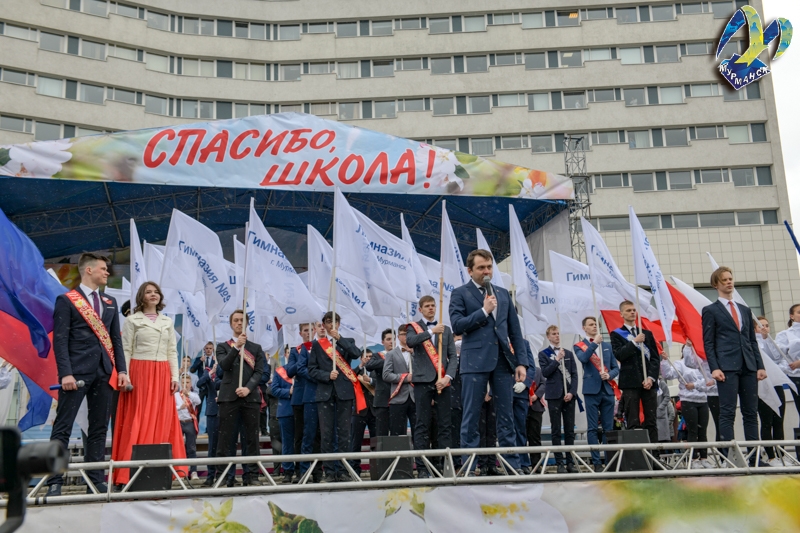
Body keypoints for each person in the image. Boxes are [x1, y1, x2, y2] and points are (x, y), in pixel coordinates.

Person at [47, 253, 130, 496]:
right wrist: (65, 374)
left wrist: (122, 370)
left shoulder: (110, 301)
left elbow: (115, 340)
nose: (107, 273)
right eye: (103, 269)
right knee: (63, 426)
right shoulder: (67, 300)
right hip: (75, 373)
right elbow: (60, 340)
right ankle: (54, 481)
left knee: (99, 428)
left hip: (104, 372)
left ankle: (95, 480)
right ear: (89, 270)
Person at [449, 249, 527, 474]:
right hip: (474, 361)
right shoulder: (460, 293)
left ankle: (512, 466)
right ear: (470, 270)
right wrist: (484, 311)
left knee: (506, 416)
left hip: (502, 361)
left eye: (489, 267)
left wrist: (521, 362)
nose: (486, 271)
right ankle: (469, 467)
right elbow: (457, 325)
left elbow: (515, 330)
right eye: (481, 267)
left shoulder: (502, 294)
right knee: (471, 417)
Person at [112, 281, 186, 485]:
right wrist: (125, 375)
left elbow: (172, 351)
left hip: (162, 372)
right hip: (140, 371)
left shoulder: (167, 321)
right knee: (138, 416)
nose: (153, 294)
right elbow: (126, 349)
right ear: (141, 297)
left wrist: (174, 377)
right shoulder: (132, 320)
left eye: (156, 292)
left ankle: (161, 471)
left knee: (163, 417)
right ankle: (129, 473)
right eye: (148, 292)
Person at [702, 266, 766, 465]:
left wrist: (760, 365)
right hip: (726, 367)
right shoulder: (710, 310)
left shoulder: (745, 310)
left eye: (730, 278)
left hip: (749, 366)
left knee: (751, 412)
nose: (729, 282)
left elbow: (752, 341)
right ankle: (729, 458)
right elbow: (708, 342)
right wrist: (714, 367)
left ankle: (755, 458)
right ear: (716, 284)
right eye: (724, 280)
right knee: (727, 412)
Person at [405, 295, 458, 478]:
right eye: (427, 306)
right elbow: (410, 342)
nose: (431, 308)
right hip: (422, 382)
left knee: (445, 425)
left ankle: (443, 465)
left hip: (442, 381)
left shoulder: (446, 330)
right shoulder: (413, 327)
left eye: (433, 305)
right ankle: (422, 467)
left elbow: (453, 356)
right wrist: (431, 331)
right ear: (420, 309)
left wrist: (448, 377)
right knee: (422, 424)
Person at [308, 311, 364, 483]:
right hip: (325, 394)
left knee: (344, 433)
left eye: (335, 322)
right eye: (328, 322)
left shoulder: (347, 341)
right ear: (324, 325)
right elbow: (311, 370)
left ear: (339, 324)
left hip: (344, 392)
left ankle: (343, 469)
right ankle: (330, 471)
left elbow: (355, 353)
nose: (331, 324)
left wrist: (339, 338)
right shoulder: (317, 345)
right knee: (327, 434)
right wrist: (326, 375)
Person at [216, 309, 267, 486]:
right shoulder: (223, 346)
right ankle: (225, 476)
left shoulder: (256, 348)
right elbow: (224, 366)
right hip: (228, 398)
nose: (239, 323)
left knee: (251, 439)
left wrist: (248, 388)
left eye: (242, 320)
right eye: (236, 320)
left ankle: (251, 475)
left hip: (250, 398)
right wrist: (236, 347)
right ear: (231, 324)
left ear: (246, 323)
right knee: (226, 439)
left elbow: (260, 372)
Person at [610, 300, 661, 445]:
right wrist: (634, 342)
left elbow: (655, 358)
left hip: (648, 382)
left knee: (651, 419)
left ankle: (654, 453)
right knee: (632, 419)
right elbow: (619, 354)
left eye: (633, 310)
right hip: (630, 382)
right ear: (621, 314)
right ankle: (637, 453)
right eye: (628, 310)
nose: (632, 312)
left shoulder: (646, 334)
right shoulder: (616, 334)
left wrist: (651, 377)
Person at [574, 317, 620, 471]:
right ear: (584, 328)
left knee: (609, 428)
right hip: (591, 390)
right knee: (593, 428)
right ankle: (597, 463)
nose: (594, 327)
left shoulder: (607, 346)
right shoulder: (580, 346)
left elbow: (615, 368)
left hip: (607, 389)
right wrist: (594, 344)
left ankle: (609, 461)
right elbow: (583, 359)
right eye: (591, 325)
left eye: (596, 324)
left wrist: (610, 375)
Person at [660, 350, 714, 468]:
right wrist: (664, 361)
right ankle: (694, 459)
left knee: (702, 431)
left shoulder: (703, 363)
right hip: (688, 400)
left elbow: (709, 380)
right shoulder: (680, 364)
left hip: (703, 400)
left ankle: (704, 458)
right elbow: (668, 375)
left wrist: (695, 385)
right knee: (692, 431)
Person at [538, 325, 579, 473]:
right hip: (554, 395)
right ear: (548, 337)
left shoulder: (569, 353)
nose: (557, 336)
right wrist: (556, 359)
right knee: (556, 430)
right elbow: (546, 373)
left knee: (569, 430)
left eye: (558, 333)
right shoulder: (543, 354)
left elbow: (574, 374)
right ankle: (559, 462)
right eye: (554, 334)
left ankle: (570, 462)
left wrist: (572, 392)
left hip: (569, 396)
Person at [755, 317, 787, 465]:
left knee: (779, 420)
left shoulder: (770, 341)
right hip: (763, 386)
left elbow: (777, 357)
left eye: (767, 325)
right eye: (761, 326)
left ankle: (781, 454)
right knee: (766, 421)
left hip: (776, 383)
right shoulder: (753, 343)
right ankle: (771, 456)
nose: (765, 328)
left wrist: (767, 339)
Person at [297, 321, 325, 483]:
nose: (322, 329)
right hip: (311, 396)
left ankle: (319, 472)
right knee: (309, 434)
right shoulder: (307, 347)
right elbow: (301, 368)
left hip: (327, 396)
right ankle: (305, 471)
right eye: (319, 326)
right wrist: (318, 377)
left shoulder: (331, 346)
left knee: (323, 436)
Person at [285, 324, 312, 481]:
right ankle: (299, 470)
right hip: (300, 397)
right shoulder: (296, 351)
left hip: (316, 396)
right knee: (300, 435)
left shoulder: (320, 348)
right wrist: (303, 357)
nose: (309, 333)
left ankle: (316, 470)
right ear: (301, 333)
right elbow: (289, 371)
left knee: (316, 435)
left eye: (311, 330)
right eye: (306, 330)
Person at [682, 339, 720, 442]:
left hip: (726, 391)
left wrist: (714, 382)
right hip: (712, 394)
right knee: (719, 424)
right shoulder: (702, 354)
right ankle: (722, 450)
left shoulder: (722, 350)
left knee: (725, 423)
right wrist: (688, 347)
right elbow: (690, 363)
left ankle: (726, 449)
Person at [383, 326, 416, 440]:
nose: (406, 336)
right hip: (398, 397)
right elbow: (386, 375)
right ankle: (399, 452)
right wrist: (404, 377)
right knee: (397, 433)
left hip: (416, 397)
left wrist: (414, 353)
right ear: (398, 337)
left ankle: (419, 452)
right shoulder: (391, 354)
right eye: (403, 334)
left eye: (408, 334)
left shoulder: (418, 352)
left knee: (419, 432)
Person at [512, 341, 537, 475]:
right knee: (505, 429)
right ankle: (509, 462)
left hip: (520, 393)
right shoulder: (498, 340)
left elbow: (531, 367)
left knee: (520, 429)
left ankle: (523, 463)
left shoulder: (524, 344)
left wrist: (526, 384)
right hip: (503, 391)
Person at [350, 349, 377, 474]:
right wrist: (361, 366)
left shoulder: (376, 370)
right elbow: (350, 377)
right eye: (366, 357)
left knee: (376, 442)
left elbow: (381, 383)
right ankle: (355, 469)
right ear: (361, 358)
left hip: (375, 410)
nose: (369, 359)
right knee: (356, 442)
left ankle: (376, 468)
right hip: (359, 410)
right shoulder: (357, 370)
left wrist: (370, 380)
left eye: (371, 357)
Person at [197, 353, 220, 486]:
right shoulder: (208, 372)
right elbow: (200, 383)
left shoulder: (227, 371)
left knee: (226, 445)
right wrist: (211, 372)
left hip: (226, 410)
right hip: (212, 412)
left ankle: (225, 474)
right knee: (212, 446)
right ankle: (210, 476)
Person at [271, 360, 296, 483]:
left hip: (303, 410)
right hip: (286, 410)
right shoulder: (280, 371)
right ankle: (288, 471)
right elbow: (274, 389)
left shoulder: (304, 369)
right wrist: (288, 392)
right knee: (287, 443)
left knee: (303, 442)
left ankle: (302, 470)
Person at [365, 328, 394, 437]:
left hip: (399, 398)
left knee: (398, 435)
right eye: (388, 339)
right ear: (383, 342)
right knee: (381, 434)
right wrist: (388, 360)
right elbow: (369, 366)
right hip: (382, 399)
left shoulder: (401, 354)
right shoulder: (377, 356)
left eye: (393, 339)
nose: (391, 342)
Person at [775, 305, 800, 421]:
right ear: (792, 316)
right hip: (796, 376)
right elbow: (779, 357)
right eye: (799, 312)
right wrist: (792, 366)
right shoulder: (784, 335)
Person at [176, 373, 201, 480]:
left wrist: (189, 394)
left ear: (190, 384)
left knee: (191, 448)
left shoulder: (193, 395)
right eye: (183, 382)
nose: (185, 384)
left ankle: (193, 471)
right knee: (179, 448)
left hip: (189, 422)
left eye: (187, 382)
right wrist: (180, 407)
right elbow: (172, 407)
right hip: (179, 423)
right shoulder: (176, 395)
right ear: (180, 384)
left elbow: (198, 401)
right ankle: (180, 472)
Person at [526, 360, 546, 473]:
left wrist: (537, 395)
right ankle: (523, 465)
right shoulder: (517, 371)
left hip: (536, 408)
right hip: (522, 407)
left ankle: (536, 465)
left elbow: (543, 383)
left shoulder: (538, 371)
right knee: (521, 437)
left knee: (535, 438)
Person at [190, 341, 216, 415]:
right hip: (201, 387)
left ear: (213, 349)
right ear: (204, 349)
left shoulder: (215, 359)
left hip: (211, 387)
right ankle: (196, 422)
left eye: (210, 348)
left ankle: (209, 422)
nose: (208, 350)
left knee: (211, 409)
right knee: (198, 408)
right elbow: (192, 370)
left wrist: (216, 362)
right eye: (207, 348)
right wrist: (200, 361)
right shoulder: (199, 359)